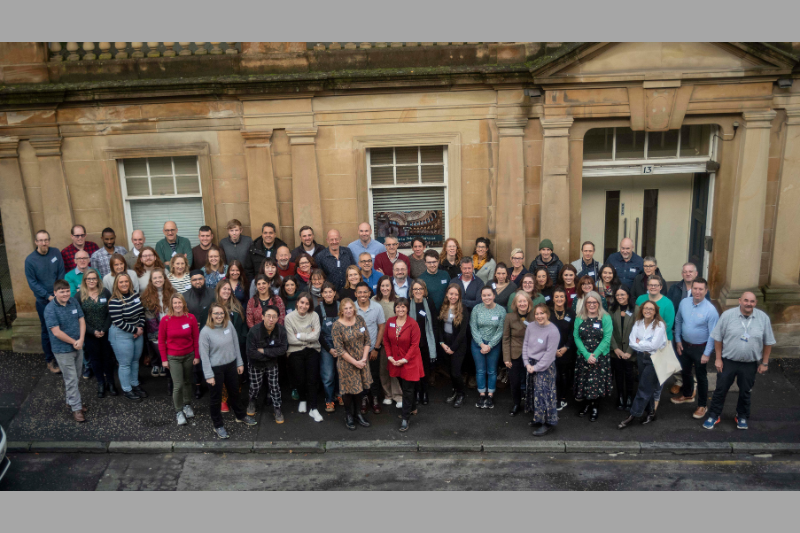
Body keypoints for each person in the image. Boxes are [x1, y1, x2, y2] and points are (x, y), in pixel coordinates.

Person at [703, 291, 774, 431]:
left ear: (755, 303)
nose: (749, 304)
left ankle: (741, 416)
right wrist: (717, 359)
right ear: (740, 301)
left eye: (752, 301)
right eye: (746, 300)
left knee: (745, 391)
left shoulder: (763, 318)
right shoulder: (727, 315)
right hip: (728, 361)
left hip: (750, 363)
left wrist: (764, 362)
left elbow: (768, 341)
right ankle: (714, 415)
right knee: (720, 390)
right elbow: (718, 338)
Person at [200, 303, 257, 438]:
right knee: (215, 399)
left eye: (221, 313)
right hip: (215, 369)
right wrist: (209, 375)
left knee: (235, 393)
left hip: (231, 365)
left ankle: (240, 416)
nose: (219, 316)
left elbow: (236, 344)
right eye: (216, 313)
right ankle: (218, 425)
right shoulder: (205, 332)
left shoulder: (229, 325)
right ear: (211, 315)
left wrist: (240, 363)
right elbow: (204, 356)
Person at [672, 277, 719, 419]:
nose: (697, 292)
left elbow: (713, 334)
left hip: (701, 348)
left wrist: (707, 353)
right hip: (684, 345)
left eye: (700, 289)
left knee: (701, 376)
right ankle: (687, 395)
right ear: (691, 289)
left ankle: (702, 405)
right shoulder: (684, 302)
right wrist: (678, 340)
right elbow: (679, 320)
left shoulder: (711, 311)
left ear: (706, 291)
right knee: (685, 372)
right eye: (695, 288)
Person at [618, 300, 668, 429]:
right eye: (646, 308)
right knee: (646, 385)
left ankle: (633, 415)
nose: (648, 311)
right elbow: (631, 342)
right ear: (642, 310)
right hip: (641, 357)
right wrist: (645, 343)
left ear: (655, 311)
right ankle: (651, 412)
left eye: (651, 309)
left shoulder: (660, 325)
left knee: (643, 387)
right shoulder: (638, 323)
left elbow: (654, 346)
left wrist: (640, 343)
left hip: (655, 358)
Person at [44, 279, 87, 422]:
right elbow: (56, 332)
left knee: (77, 375)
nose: (65, 294)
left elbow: (81, 320)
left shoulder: (74, 302)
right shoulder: (50, 309)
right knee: (71, 379)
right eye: (62, 292)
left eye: (67, 291)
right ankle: (76, 408)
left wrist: (80, 339)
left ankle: (71, 401)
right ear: (55, 293)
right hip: (63, 350)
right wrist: (74, 342)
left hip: (78, 345)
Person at [666, 262, 711, 395]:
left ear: (696, 273)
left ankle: (694, 384)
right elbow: (670, 307)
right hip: (677, 328)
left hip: (696, 332)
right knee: (678, 357)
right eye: (685, 271)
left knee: (696, 360)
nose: (688, 273)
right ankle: (679, 381)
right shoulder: (674, 288)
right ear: (682, 274)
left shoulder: (701, 289)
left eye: (691, 271)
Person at [384, 298, 425, 432]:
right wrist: (389, 356)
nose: (400, 310)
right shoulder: (390, 322)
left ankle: (405, 418)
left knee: (407, 390)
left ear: (407, 309)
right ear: (395, 308)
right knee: (403, 385)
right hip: (395, 360)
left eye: (403, 307)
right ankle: (412, 407)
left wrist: (405, 359)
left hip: (410, 361)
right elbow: (386, 339)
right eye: (398, 307)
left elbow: (414, 345)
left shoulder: (413, 324)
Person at [332, 298, 373, 430]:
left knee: (360, 390)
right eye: (346, 309)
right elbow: (339, 349)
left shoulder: (360, 319)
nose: (349, 311)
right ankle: (349, 415)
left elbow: (367, 340)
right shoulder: (337, 326)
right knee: (348, 391)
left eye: (350, 308)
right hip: (347, 364)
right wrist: (355, 362)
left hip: (362, 361)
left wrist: (364, 359)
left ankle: (358, 414)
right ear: (341, 311)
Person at [158, 293, 199, 424]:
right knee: (178, 385)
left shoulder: (191, 318)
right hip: (173, 357)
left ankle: (187, 405)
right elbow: (161, 341)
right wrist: (164, 359)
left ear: (183, 304)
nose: (177, 305)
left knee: (188, 381)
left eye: (179, 302)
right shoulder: (165, 320)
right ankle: (179, 411)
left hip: (189, 355)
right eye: (175, 303)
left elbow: (196, 338)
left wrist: (197, 355)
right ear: (171, 305)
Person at [573, 291, 613, 421]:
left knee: (596, 383)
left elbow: (607, 338)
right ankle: (586, 405)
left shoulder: (605, 317)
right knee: (584, 381)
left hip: (599, 356)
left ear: (598, 303)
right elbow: (576, 336)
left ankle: (595, 406)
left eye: (594, 302)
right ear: (585, 304)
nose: (591, 305)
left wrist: (594, 355)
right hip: (584, 355)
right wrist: (586, 354)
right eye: (589, 302)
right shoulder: (579, 317)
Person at [284, 293, 324, 422]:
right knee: (300, 379)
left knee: (312, 379)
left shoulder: (314, 315)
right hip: (295, 351)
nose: (304, 306)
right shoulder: (289, 318)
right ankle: (302, 399)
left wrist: (299, 336)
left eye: (307, 303)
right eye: (302, 302)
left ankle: (313, 408)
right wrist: (308, 335)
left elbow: (316, 336)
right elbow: (290, 339)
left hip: (312, 349)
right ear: (297, 303)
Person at [77, 270, 117, 398]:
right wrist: (92, 331)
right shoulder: (79, 296)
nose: (91, 281)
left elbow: (111, 312)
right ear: (85, 281)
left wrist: (104, 329)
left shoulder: (105, 292)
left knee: (107, 358)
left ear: (98, 280)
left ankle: (111, 383)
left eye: (94, 278)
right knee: (95, 359)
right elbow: (79, 317)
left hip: (106, 331)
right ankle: (100, 383)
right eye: (88, 279)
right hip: (89, 333)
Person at [108, 273, 147, 402]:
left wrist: (140, 327)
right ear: (116, 285)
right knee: (125, 364)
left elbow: (141, 312)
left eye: (126, 281)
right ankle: (127, 389)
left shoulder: (135, 295)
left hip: (137, 332)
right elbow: (118, 322)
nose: (124, 284)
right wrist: (135, 330)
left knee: (135, 361)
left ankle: (135, 384)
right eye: (121, 282)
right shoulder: (114, 301)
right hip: (121, 334)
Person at [523, 303, 560, 436]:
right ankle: (538, 419)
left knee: (545, 395)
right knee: (535, 394)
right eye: (537, 314)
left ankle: (548, 423)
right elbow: (525, 344)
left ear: (547, 314)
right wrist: (527, 363)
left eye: (542, 313)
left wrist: (536, 368)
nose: (539, 316)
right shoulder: (531, 326)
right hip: (531, 364)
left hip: (545, 367)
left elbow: (550, 354)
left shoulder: (553, 330)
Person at [245, 305, 286, 423]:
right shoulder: (254, 331)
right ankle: (252, 401)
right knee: (255, 386)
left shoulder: (281, 330)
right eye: (268, 316)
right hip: (256, 364)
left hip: (272, 363)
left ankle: (277, 408)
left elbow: (283, 349)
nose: (271, 319)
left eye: (274, 316)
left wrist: (264, 351)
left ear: (278, 318)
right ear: (262, 316)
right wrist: (271, 354)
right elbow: (251, 352)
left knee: (274, 386)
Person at [353, 282, 387, 415]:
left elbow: (381, 327)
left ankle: (375, 398)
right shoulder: (352, 308)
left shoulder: (377, 307)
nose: (362, 295)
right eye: (359, 292)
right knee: (360, 376)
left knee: (374, 375)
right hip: (357, 351)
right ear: (355, 294)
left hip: (373, 349)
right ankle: (363, 398)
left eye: (365, 292)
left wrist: (376, 348)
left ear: (369, 293)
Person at [470, 285, 506, 409]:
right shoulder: (476, 309)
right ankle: (481, 394)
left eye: (489, 295)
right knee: (480, 370)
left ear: (494, 295)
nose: (487, 297)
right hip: (477, 344)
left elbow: (501, 330)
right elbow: (473, 327)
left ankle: (490, 395)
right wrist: (481, 344)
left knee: (492, 370)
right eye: (484, 295)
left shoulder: (501, 310)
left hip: (493, 345)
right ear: (481, 296)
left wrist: (489, 345)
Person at [437, 284, 470, 408]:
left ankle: (461, 394)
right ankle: (455, 390)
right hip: (445, 344)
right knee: (450, 371)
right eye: (451, 294)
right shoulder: (443, 307)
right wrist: (442, 343)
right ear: (447, 294)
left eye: (456, 294)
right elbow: (439, 328)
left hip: (458, 345)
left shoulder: (463, 309)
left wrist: (453, 348)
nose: (453, 296)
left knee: (456, 372)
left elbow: (462, 332)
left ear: (459, 296)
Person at [372, 276, 403, 408]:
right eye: (382, 286)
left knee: (394, 369)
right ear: (379, 287)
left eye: (387, 285)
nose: (385, 288)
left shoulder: (397, 300)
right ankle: (387, 395)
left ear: (391, 286)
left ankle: (398, 396)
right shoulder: (374, 300)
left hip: (394, 341)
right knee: (383, 370)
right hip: (380, 341)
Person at [503, 291, 534, 416]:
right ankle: (516, 403)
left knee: (530, 381)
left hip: (531, 354)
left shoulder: (534, 316)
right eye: (519, 301)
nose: (522, 304)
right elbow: (506, 338)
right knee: (515, 381)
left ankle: (530, 404)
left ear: (528, 303)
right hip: (514, 354)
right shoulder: (509, 317)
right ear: (515, 304)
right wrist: (506, 358)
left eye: (524, 301)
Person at [141, 267, 173, 379]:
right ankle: (156, 364)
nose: (158, 280)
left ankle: (163, 364)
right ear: (151, 280)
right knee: (155, 345)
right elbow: (149, 318)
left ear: (164, 278)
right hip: (154, 327)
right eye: (155, 278)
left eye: (160, 277)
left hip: (170, 326)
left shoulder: (172, 292)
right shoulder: (146, 296)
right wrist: (160, 332)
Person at [409, 279, 437, 405]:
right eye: (415, 289)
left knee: (424, 369)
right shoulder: (408, 304)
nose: (418, 291)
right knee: (414, 369)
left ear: (424, 291)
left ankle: (424, 392)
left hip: (425, 342)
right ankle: (417, 392)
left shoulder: (429, 302)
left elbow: (434, 323)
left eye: (420, 289)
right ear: (412, 291)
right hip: (412, 343)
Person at [609, 286, 636, 411]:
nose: (620, 297)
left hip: (631, 351)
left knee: (629, 375)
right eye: (618, 295)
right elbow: (609, 332)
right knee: (618, 375)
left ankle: (630, 396)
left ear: (628, 295)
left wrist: (629, 351)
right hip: (616, 351)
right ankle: (620, 396)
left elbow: (639, 332)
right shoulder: (611, 310)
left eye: (623, 294)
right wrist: (615, 348)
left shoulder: (637, 310)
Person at [317, 281, 342, 412]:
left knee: (341, 371)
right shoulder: (318, 310)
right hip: (326, 346)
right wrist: (329, 349)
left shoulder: (341, 307)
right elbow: (318, 333)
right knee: (328, 374)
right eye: (325, 292)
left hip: (341, 344)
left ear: (334, 293)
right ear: (322, 294)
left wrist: (340, 346)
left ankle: (340, 394)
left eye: (330, 292)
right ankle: (329, 399)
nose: (328, 294)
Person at [550, 287, 576, 410]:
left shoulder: (571, 313)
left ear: (565, 299)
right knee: (554, 375)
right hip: (551, 350)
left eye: (562, 296)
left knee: (564, 375)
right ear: (553, 299)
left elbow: (573, 333)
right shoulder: (548, 313)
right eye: (556, 297)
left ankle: (563, 398)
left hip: (566, 350)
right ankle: (553, 396)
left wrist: (566, 347)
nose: (559, 299)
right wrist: (553, 349)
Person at [634, 275, 675, 340]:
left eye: (656, 285)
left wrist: (652, 338)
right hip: (642, 339)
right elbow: (637, 319)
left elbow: (668, 325)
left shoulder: (668, 303)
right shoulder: (640, 299)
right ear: (647, 287)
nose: (653, 287)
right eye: (650, 285)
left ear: (661, 287)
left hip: (662, 339)